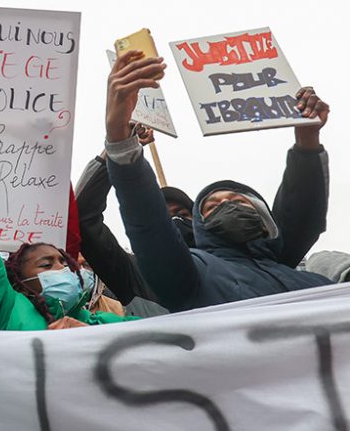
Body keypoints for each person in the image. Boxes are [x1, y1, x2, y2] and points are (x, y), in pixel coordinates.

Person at [105, 51, 332, 312]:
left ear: (265, 219)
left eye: (237, 201)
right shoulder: (191, 276)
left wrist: (308, 138)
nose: (226, 204)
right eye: (212, 206)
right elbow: (147, 220)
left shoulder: (316, 283)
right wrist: (119, 136)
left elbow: (301, 211)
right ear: (198, 225)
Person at [0, 129, 134, 330]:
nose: (62, 269)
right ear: (21, 281)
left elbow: (157, 335)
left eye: (64, 262)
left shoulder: (96, 322)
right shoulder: (2, 311)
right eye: (46, 265)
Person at [75, 124, 194, 317]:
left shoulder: (229, 268)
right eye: (165, 218)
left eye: (182, 214)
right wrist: (116, 149)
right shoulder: (135, 274)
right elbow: (83, 216)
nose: (176, 222)